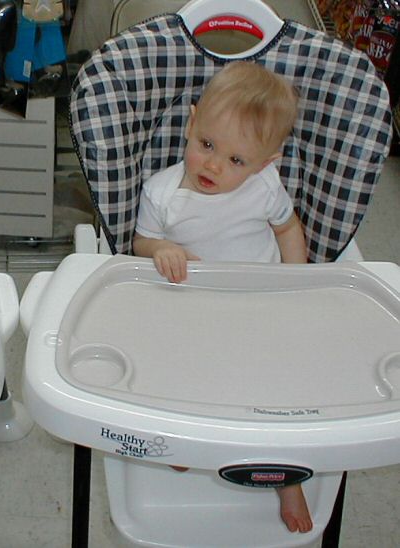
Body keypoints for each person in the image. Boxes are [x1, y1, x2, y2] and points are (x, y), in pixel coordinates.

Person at [132, 61, 312, 534]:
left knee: (282, 390)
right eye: (207, 144)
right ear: (191, 123)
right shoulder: (162, 193)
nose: (213, 165)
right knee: (178, 373)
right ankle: (187, 440)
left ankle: (287, 476)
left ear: (265, 163)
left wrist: (297, 285)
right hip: (193, 310)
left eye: (236, 160)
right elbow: (141, 242)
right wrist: (161, 248)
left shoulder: (265, 187)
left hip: (260, 309)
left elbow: (287, 229)